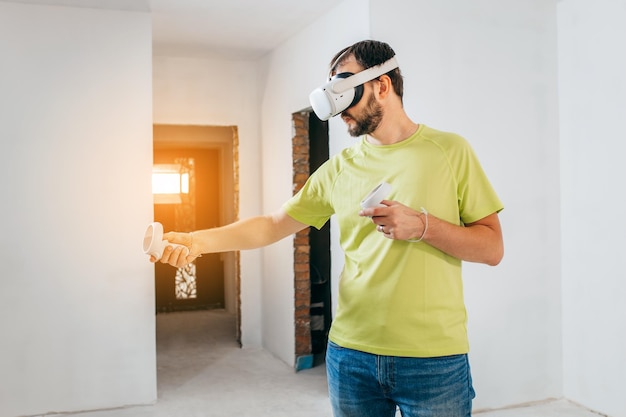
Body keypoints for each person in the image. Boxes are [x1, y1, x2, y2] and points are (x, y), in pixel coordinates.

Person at [152, 39, 504, 417]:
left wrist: (422, 226)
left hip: (434, 359)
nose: (339, 110)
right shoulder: (340, 168)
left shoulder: (450, 151)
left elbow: (492, 248)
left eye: (345, 89)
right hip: (351, 355)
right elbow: (272, 225)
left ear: (382, 85)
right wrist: (195, 240)